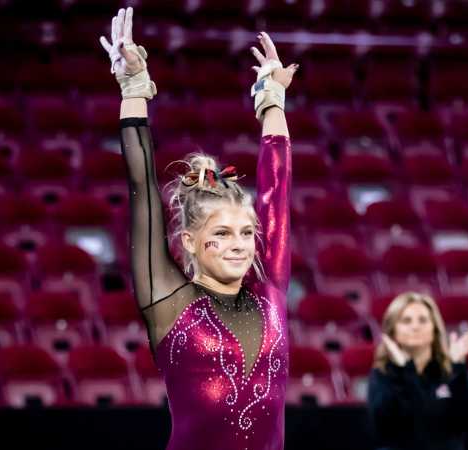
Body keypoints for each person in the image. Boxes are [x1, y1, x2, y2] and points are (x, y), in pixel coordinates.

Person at [99, 7, 296, 450]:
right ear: (189, 241)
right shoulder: (168, 301)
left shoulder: (270, 292)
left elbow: (276, 192)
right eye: (221, 233)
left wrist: (271, 100)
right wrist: (134, 88)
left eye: (246, 233)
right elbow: (142, 190)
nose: (239, 245)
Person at [367, 292, 468, 450]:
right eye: (406, 321)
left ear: (434, 329)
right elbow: (385, 430)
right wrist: (404, 371)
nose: (415, 327)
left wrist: (458, 370)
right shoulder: (384, 374)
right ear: (393, 330)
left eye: (423, 320)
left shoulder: (450, 371)